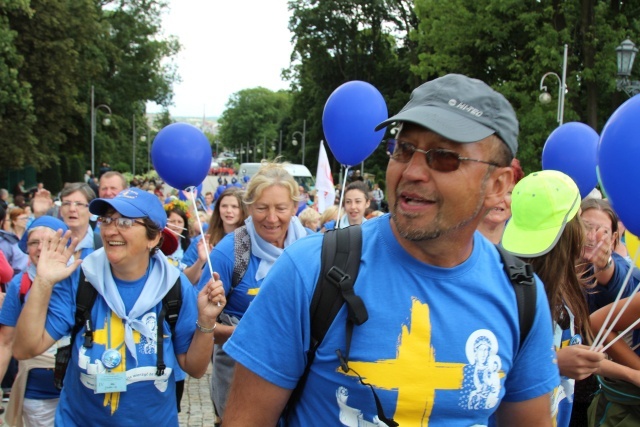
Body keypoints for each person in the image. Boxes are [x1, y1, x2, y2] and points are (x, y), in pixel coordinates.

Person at [222, 74, 558, 426]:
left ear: (499, 184)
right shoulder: (310, 269)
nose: (412, 171)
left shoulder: (521, 292)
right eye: (403, 149)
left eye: (443, 157)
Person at [12, 187, 226, 425]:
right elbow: (24, 349)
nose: (111, 230)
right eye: (106, 220)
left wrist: (206, 322)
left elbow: (195, 368)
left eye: (125, 222)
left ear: (153, 238)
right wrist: (43, 282)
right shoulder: (80, 279)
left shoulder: (174, 286)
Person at [501, 170, 640, 426]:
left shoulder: (565, 288)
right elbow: (486, 368)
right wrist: (554, 363)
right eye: (583, 223)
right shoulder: (510, 292)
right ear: (571, 230)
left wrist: (631, 374)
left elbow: (573, 357)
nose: (590, 234)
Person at [198, 162, 307, 422]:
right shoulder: (230, 252)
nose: (271, 218)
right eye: (261, 208)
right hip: (239, 373)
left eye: (280, 208)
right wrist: (247, 333)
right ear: (248, 208)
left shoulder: (311, 247)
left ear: (295, 207)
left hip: (298, 373)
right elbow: (199, 324)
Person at [0, 217, 69, 426]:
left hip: (80, 393)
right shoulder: (19, 284)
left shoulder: (83, 279)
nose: (41, 248)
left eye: (49, 241)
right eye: (33, 243)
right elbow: (5, 342)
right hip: (36, 394)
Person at [477, 158, 524, 244]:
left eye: (509, 192)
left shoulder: (522, 245)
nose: (501, 199)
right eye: (495, 189)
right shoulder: (454, 243)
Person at [58, 183, 97, 260]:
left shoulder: (101, 244)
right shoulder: (53, 243)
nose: (72, 209)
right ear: (61, 210)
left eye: (79, 204)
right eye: (66, 204)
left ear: (91, 211)